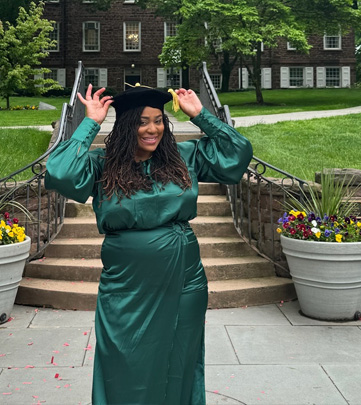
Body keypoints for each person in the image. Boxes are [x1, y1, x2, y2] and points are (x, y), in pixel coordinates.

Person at [45, 83, 253, 404]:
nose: (152, 129)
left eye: (158, 120)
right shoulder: (102, 165)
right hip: (127, 285)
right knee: (124, 360)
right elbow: (60, 172)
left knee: (179, 357)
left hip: (185, 278)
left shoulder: (185, 156)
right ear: (128, 126)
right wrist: (90, 123)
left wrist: (200, 116)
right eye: (142, 122)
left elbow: (237, 154)